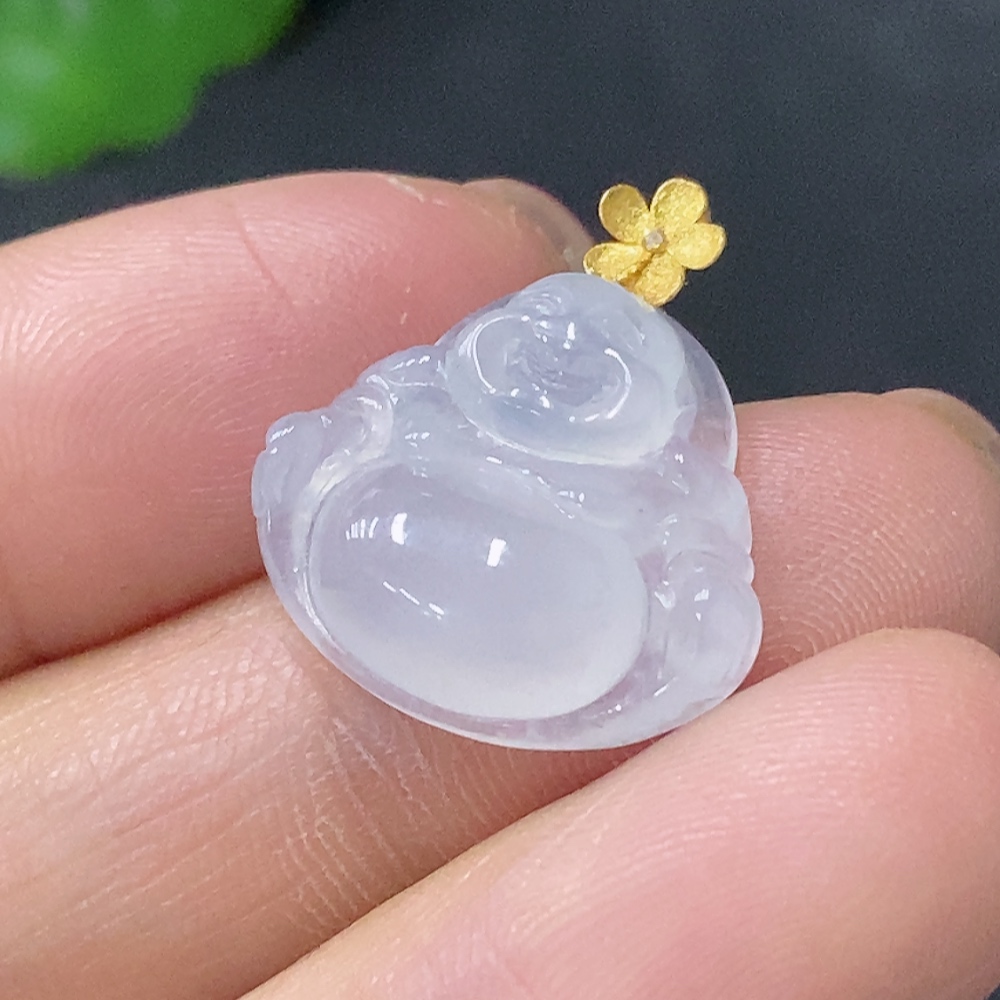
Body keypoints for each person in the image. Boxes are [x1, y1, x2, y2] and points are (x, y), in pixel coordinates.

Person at [1, 171, 999, 1000]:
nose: (554, 370)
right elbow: (353, 428)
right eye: (537, 343)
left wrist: (698, 615)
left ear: (652, 397)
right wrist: (321, 452)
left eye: (595, 368)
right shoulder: (423, 391)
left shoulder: (668, 480)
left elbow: (700, 565)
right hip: (390, 532)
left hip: (565, 592)